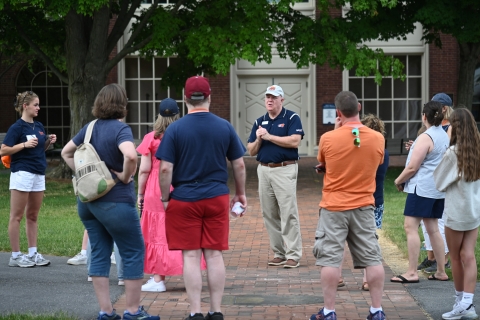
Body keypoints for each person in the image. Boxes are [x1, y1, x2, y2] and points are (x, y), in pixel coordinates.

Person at [61, 83, 159, 320]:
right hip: (116, 203)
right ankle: (133, 311)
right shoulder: (120, 130)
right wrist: (124, 176)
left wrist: (85, 176)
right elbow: (130, 154)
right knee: (134, 251)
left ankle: (105, 311)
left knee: (100, 252)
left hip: (88, 203)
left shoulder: (89, 128)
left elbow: (65, 152)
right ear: (122, 104)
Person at [156, 76, 247, 320]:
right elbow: (238, 164)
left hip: (184, 197)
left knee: (191, 256)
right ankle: (216, 311)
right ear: (209, 97)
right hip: (216, 195)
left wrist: (165, 197)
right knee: (214, 254)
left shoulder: (175, 129)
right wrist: (240, 193)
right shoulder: (224, 126)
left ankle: (195, 311)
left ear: (185, 99)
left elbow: (165, 169)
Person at [311, 91, 386, 320]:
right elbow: (376, 162)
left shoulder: (328, 138)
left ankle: (329, 311)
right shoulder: (377, 138)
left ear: (338, 112)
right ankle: (376, 310)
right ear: (360, 107)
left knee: (331, 259)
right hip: (364, 205)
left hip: (334, 206)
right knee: (372, 258)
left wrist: (337, 131)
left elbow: (324, 161)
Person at [137, 98, 197, 292]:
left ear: (159, 116)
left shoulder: (151, 138)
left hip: (156, 187)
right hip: (180, 184)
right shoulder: (185, 135)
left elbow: (144, 170)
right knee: (181, 230)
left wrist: (139, 194)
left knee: (156, 232)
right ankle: (190, 273)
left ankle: (157, 279)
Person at [390, 100, 449, 284]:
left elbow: (412, 167)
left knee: (410, 227)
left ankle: (412, 272)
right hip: (437, 188)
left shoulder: (426, 136)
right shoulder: (444, 136)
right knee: (433, 229)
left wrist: (398, 180)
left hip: (422, 188)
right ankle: (441, 270)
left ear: (424, 116)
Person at [246, 84, 304, 268]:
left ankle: (293, 254)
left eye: (273, 97)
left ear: (281, 100)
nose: (269, 100)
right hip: (263, 170)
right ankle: (279, 253)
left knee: (288, 212)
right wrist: (258, 139)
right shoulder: (259, 121)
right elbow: (251, 151)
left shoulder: (291, 118)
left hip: (284, 169)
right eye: (267, 97)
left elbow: (295, 141)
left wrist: (269, 137)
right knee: (269, 213)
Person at [434, 108, 480, 320]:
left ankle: (461, 301)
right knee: (468, 256)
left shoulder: (453, 154)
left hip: (455, 211)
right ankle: (468, 304)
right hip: (473, 211)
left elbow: (439, 182)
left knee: (455, 257)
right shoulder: (477, 151)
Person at [2, 90, 56, 268]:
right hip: (22, 173)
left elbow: (40, 149)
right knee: (16, 216)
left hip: (38, 173)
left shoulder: (39, 126)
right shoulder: (17, 127)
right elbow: (3, 150)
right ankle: (16, 255)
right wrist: (24, 144)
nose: (38, 108)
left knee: (32, 215)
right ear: (25, 106)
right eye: (35, 104)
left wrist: (48, 142)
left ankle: (33, 253)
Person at [415, 93, 453, 274]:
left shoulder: (450, 129)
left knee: (438, 221)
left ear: (444, 109)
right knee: (427, 221)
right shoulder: (432, 130)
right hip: (431, 179)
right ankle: (431, 257)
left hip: (442, 179)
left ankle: (442, 259)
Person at [360, 114, 389, 291]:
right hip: (377, 199)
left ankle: (366, 278)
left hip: (363, 199)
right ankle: (368, 278)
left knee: (365, 241)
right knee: (372, 239)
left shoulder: (364, 151)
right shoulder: (383, 152)